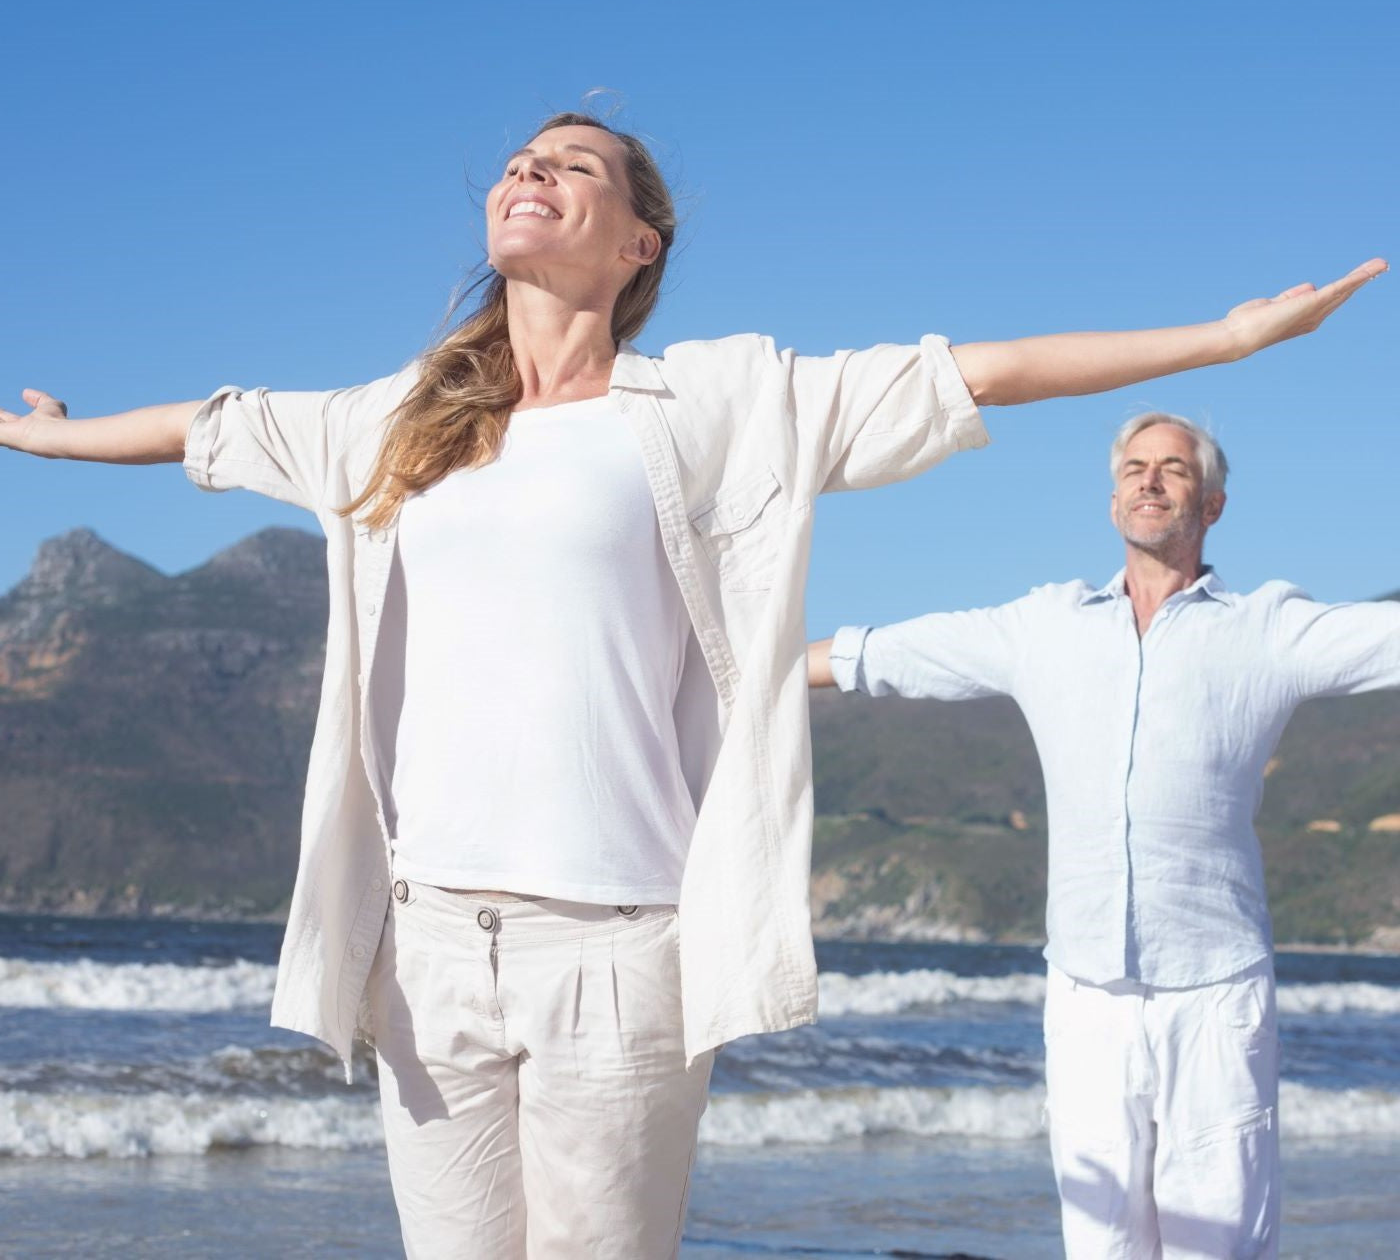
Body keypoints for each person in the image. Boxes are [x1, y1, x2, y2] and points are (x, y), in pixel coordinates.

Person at [0, 110, 1385, 1259]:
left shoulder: (721, 406)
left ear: (636, 242)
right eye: (516, 160)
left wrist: (1225, 341)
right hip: (427, 953)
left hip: (616, 951)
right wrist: (47, 444)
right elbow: (212, 426)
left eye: (571, 165)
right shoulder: (400, 417)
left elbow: (977, 372)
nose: (526, 172)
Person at [809, 409, 1400, 1258]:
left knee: (1220, 1246)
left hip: (1215, 991)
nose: (1149, 481)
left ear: (1215, 504)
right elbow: (896, 654)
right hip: (1085, 993)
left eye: (1173, 469)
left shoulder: (1267, 628)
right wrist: (753, 672)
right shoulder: (1045, 625)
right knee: (1100, 1246)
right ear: (1113, 495)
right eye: (1133, 468)